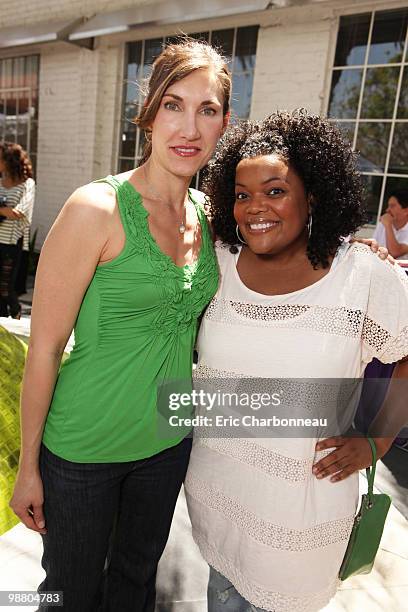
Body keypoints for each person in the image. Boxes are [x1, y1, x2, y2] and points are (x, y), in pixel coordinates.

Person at [9, 39, 230, 612]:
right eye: (174, 105)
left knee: (135, 585)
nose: (189, 127)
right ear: (149, 114)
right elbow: (45, 348)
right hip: (83, 450)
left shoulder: (210, 217)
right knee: (69, 595)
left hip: (166, 442)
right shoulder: (95, 210)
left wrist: (358, 259)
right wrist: (28, 466)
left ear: (224, 122)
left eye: (207, 109)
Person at [184, 111, 408, 612]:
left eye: (275, 191)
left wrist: (377, 440)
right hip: (218, 493)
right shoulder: (218, 264)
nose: (255, 208)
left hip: (299, 518)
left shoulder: (361, 273)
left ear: (314, 196)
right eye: (242, 195)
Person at [0, 142, 35, 318]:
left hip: (11, 243)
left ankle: (16, 314)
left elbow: (19, 212)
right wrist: (4, 210)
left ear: (9, 160)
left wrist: (4, 210)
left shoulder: (27, 184)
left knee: (6, 289)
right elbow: (10, 212)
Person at [372, 189, 408, 260]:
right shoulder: (382, 224)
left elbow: (395, 252)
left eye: (392, 206)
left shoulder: (386, 223)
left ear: (406, 210)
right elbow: (372, 249)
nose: (387, 210)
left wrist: (388, 226)